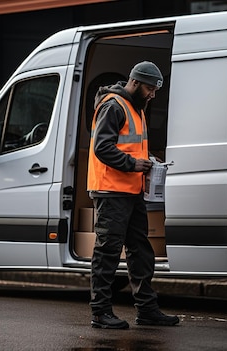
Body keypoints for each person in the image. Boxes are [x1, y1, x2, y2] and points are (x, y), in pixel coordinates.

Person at [87, 61, 180, 329]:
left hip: (131, 191)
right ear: (135, 82)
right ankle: (100, 313)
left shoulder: (136, 108)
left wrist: (147, 159)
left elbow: (129, 145)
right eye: (150, 89)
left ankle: (147, 310)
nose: (152, 95)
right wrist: (133, 164)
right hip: (111, 191)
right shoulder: (113, 106)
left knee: (140, 250)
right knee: (107, 253)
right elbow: (102, 147)